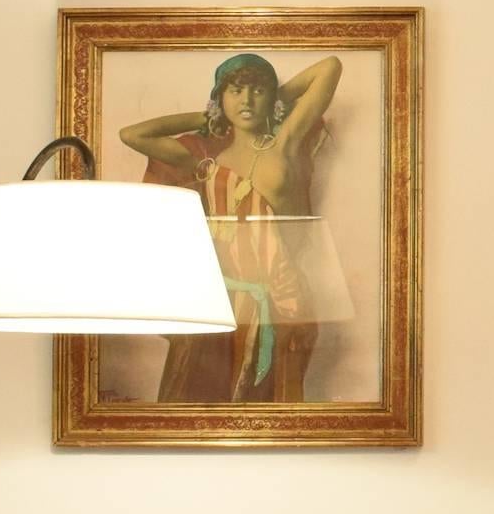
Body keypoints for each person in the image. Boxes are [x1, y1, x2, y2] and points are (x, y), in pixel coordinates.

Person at [121, 50, 343, 404]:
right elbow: (132, 135)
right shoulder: (206, 160)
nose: (247, 100)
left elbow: (329, 67)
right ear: (219, 98)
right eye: (236, 91)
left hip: (281, 301)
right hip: (218, 301)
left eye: (257, 91)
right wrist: (208, 116)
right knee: (195, 400)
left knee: (271, 407)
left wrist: (274, 101)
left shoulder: (285, 144)